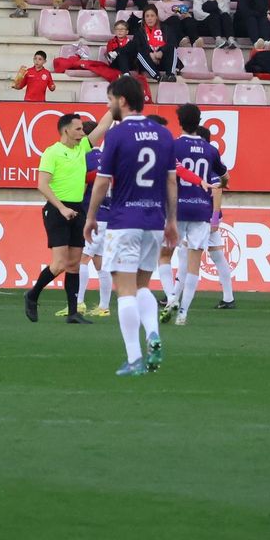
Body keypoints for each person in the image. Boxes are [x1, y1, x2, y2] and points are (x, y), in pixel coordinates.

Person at [84, 76, 177, 376]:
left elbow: (101, 181)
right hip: (154, 221)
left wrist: (90, 216)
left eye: (110, 100)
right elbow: (170, 180)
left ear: (122, 100)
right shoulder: (163, 134)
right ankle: (153, 333)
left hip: (124, 221)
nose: (109, 105)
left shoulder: (117, 135)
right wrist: (171, 221)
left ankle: (135, 358)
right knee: (141, 286)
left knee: (124, 290)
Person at [161, 103, 228, 327]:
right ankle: (183, 313)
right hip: (201, 209)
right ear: (199, 122)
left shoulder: (173, 145)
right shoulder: (210, 149)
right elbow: (223, 175)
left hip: (177, 207)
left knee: (164, 256)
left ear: (179, 122)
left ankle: (171, 298)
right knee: (193, 264)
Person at [25, 112, 93, 325]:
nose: (83, 133)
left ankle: (73, 313)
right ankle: (32, 295)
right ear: (66, 130)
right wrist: (62, 208)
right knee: (60, 263)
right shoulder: (52, 152)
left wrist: (118, 99)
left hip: (77, 210)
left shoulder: (82, 149)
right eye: (79, 129)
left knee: (74, 264)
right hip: (57, 210)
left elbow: (103, 128)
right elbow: (42, 184)